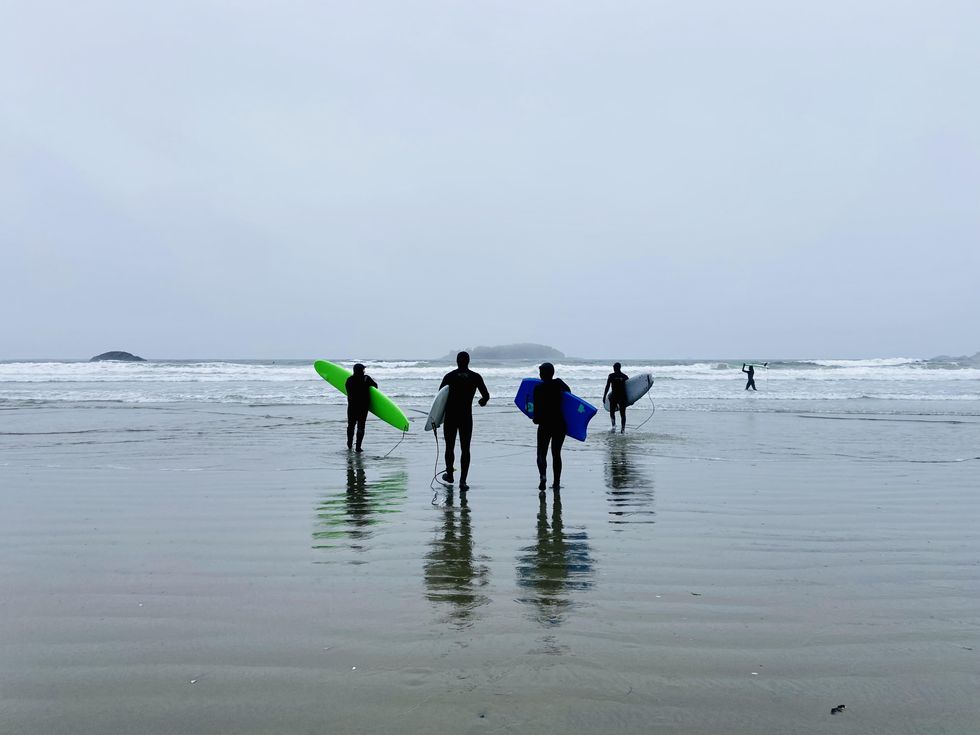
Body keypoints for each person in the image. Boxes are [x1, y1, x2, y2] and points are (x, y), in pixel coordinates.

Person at [439, 351, 490, 491]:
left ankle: (449, 474)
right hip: (466, 416)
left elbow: (439, 398)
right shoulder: (475, 377)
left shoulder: (449, 376)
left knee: (449, 446)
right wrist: (482, 402)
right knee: (465, 448)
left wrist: (437, 418)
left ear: (457, 361)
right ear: (468, 361)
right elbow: (486, 396)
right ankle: (463, 481)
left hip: (451, 416)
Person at [532, 362, 570, 493]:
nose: (539, 374)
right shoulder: (559, 384)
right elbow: (570, 395)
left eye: (540, 372)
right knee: (556, 453)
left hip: (544, 423)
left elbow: (535, 409)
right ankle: (556, 483)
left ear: (543, 374)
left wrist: (535, 419)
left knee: (541, 453)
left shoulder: (538, 388)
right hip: (559, 423)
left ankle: (543, 477)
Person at [345, 363, 377, 452]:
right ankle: (358, 447)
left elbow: (347, 391)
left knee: (351, 426)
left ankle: (349, 444)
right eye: (363, 369)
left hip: (352, 407)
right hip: (363, 407)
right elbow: (376, 387)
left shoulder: (349, 380)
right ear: (361, 370)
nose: (364, 371)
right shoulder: (366, 378)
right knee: (361, 427)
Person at [602, 362, 629, 433]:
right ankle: (622, 430)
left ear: (615, 368)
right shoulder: (625, 376)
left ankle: (613, 427)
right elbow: (629, 389)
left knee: (612, 412)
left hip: (614, 396)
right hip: (622, 397)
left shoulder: (611, 376)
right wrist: (629, 400)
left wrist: (604, 396)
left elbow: (607, 386)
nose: (613, 369)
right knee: (622, 414)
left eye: (614, 367)